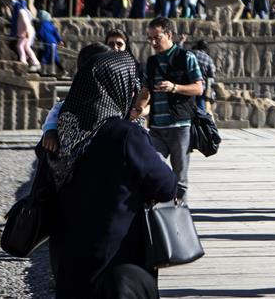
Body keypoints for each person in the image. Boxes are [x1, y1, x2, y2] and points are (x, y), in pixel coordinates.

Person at [48, 49, 176, 299]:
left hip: (68, 262)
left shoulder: (62, 131)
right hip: (117, 266)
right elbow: (166, 186)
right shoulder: (125, 135)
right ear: (120, 88)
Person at [130, 17, 203, 203]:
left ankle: (180, 215)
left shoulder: (186, 58)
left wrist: (175, 87)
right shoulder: (152, 62)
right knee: (151, 166)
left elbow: (198, 88)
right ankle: (160, 205)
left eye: (157, 37)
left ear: (169, 34)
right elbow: (145, 91)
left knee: (180, 177)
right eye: (150, 38)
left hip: (180, 126)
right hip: (156, 127)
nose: (153, 42)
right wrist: (137, 108)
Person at [12, 0, 40, 71]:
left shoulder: (21, 11)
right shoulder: (26, 10)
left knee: (20, 46)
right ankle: (34, 62)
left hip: (26, 32)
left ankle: (24, 62)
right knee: (26, 46)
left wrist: (27, 31)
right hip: (26, 31)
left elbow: (26, 22)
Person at [35, 10, 65, 76]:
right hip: (53, 42)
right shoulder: (51, 25)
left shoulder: (42, 24)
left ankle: (44, 71)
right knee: (54, 57)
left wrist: (39, 39)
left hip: (47, 43)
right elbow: (55, 33)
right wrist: (60, 41)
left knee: (44, 56)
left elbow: (41, 33)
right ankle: (62, 70)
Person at [191, 39, 216, 113]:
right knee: (201, 109)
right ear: (206, 48)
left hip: (188, 85)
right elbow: (211, 74)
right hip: (201, 87)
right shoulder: (208, 59)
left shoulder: (190, 54)